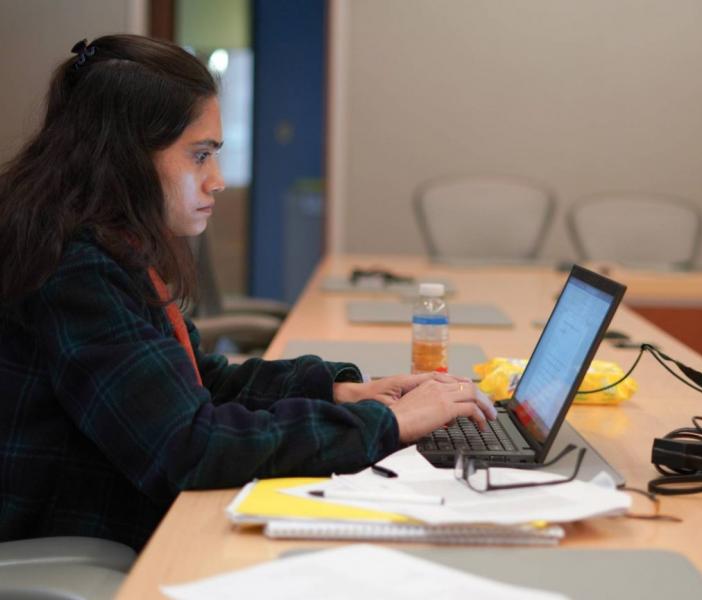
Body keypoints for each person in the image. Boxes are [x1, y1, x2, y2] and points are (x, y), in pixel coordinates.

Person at [0, 34, 495, 551]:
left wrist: (338, 391)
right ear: (124, 156)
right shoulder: (76, 269)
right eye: (199, 156)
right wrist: (387, 423)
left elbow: (194, 380)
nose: (216, 180)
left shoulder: (106, 246)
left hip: (127, 518)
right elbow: (189, 447)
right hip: (83, 540)